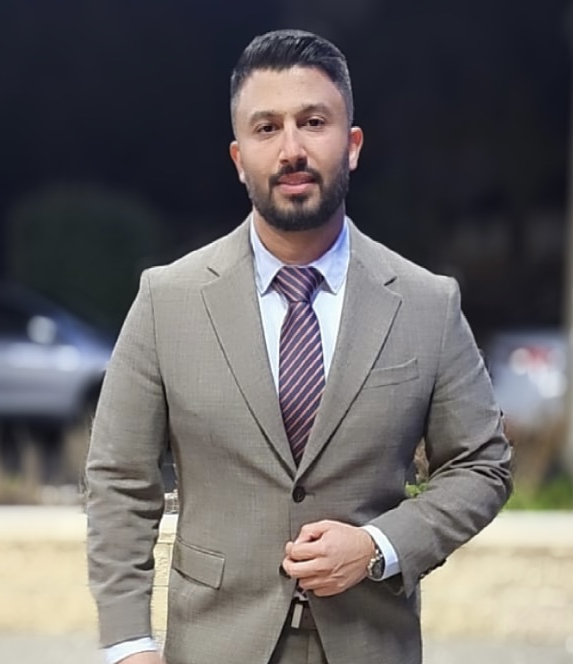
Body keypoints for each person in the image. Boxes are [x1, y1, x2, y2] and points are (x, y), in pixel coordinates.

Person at [85, 28, 512, 664]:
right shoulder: (166, 300)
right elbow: (119, 478)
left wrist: (378, 546)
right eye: (267, 128)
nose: (292, 149)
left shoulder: (427, 303)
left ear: (352, 145)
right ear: (238, 157)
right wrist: (128, 644)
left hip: (371, 643)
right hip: (213, 646)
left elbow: (483, 464)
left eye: (313, 122)